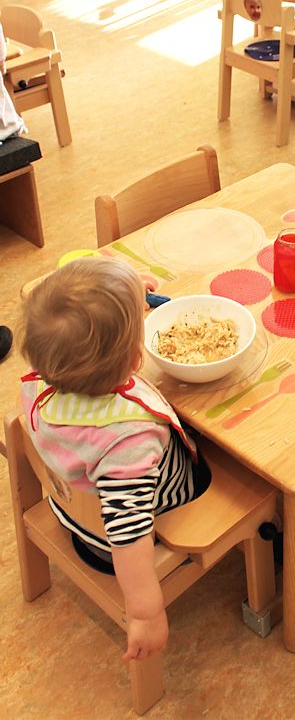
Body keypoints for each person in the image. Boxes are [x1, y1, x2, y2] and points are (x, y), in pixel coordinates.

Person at [20, 258, 210, 662]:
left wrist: (125, 293)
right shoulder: (128, 440)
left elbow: (71, 317)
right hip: (112, 543)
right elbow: (128, 531)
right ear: (134, 361)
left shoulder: (45, 370)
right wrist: (145, 612)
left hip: (69, 509)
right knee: (222, 447)